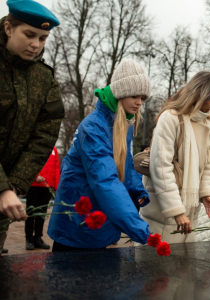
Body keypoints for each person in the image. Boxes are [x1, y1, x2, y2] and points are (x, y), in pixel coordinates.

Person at [47, 59, 152, 251]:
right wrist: (135, 225)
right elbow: (104, 179)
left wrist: (136, 189)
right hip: (77, 218)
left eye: (143, 97)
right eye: (134, 95)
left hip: (99, 216)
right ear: (121, 93)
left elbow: (126, 164)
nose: (139, 102)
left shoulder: (124, 124)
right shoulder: (94, 127)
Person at [0, 0, 63, 255]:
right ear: (8, 28)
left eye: (43, 38)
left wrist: (13, 186)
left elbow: (45, 135)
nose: (36, 44)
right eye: (29, 34)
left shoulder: (44, 77)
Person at [140, 71, 210, 244]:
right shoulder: (170, 118)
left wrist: (206, 193)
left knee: (183, 268)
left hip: (190, 210)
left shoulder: (207, 122)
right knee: (157, 267)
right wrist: (176, 211)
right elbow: (161, 168)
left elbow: (209, 164)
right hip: (163, 213)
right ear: (200, 95)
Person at [25, 146, 60, 250]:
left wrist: (56, 186)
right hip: (34, 186)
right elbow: (28, 163)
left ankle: (38, 238)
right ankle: (29, 239)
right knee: (31, 213)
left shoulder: (54, 150)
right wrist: (35, 176)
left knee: (42, 213)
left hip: (47, 187)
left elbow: (56, 168)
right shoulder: (35, 146)